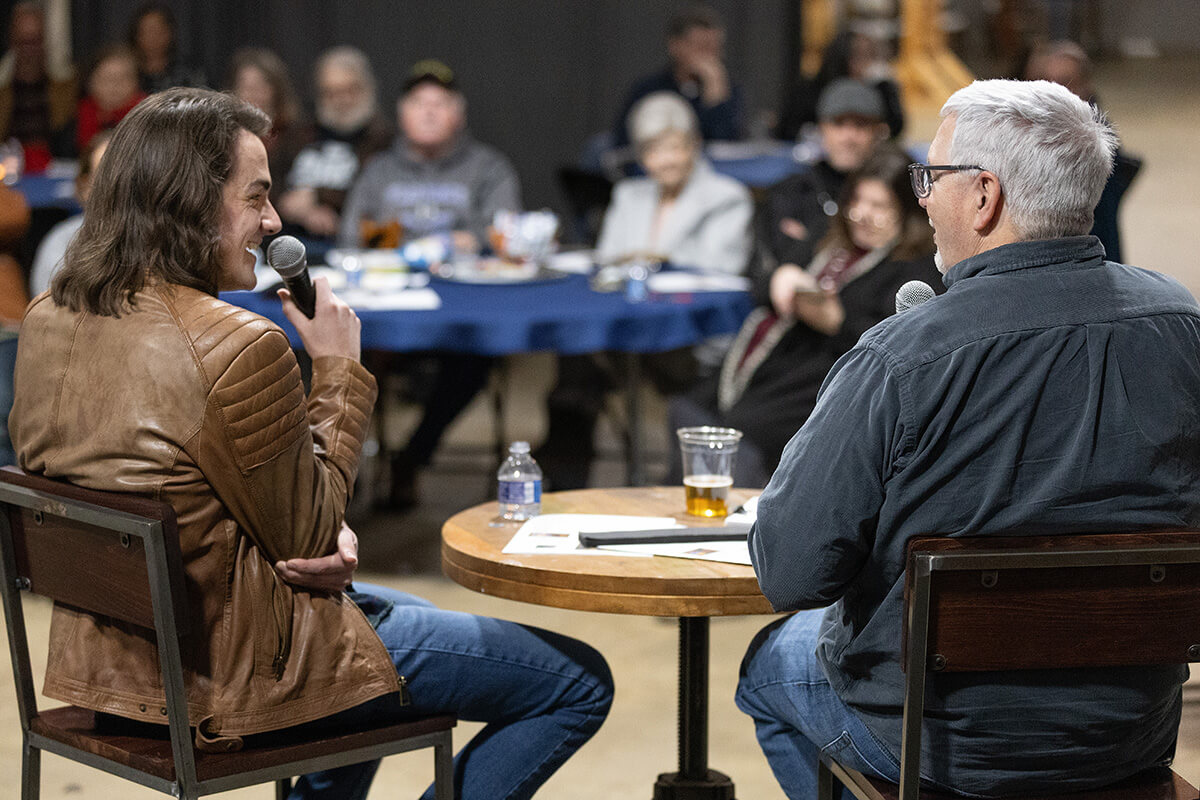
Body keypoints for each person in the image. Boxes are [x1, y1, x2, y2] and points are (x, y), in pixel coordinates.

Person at [9, 87, 612, 800]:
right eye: (256, 197)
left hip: (114, 668)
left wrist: (321, 547)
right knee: (578, 683)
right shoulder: (236, 344)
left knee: (391, 613)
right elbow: (309, 529)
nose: (273, 221)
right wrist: (338, 369)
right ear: (188, 203)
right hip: (233, 680)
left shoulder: (49, 316)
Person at [736, 79, 1200, 797]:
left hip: (939, 745)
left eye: (931, 177)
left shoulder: (900, 357)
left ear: (983, 196)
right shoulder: (1184, 326)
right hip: (1127, 735)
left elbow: (790, 572)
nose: (922, 197)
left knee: (771, 664)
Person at [670, 144, 939, 488]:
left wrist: (836, 322)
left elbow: (900, 344)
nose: (862, 215)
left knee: (741, 429)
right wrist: (780, 278)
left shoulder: (913, 268)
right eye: (857, 202)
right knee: (687, 410)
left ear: (906, 211)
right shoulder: (831, 238)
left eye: (880, 206)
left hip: (827, 378)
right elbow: (761, 285)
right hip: (775, 361)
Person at [538, 91, 753, 490]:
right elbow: (608, 261)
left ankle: (669, 483)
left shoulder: (727, 197)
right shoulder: (629, 195)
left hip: (689, 337)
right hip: (627, 331)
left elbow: (719, 269)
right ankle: (565, 484)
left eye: (674, 147)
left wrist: (649, 257)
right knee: (574, 364)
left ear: (693, 145)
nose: (665, 160)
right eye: (653, 150)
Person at [340, 59, 520, 509]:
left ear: (457, 113)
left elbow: (504, 234)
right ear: (401, 113)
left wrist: (468, 240)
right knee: (343, 354)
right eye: (418, 102)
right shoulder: (379, 170)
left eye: (439, 103)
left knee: (475, 361)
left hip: (461, 315)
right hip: (386, 311)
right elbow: (351, 236)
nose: (428, 112)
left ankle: (411, 459)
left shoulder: (488, 167)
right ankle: (341, 471)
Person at [1021, 39, 1141, 263]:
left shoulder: (1099, 150)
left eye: (1066, 83)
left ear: (1087, 88)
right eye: (1046, 82)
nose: (1056, 92)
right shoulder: (1017, 138)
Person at [760, 78, 890, 279]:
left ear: (879, 132)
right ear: (821, 129)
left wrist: (810, 238)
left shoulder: (893, 194)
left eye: (860, 125)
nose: (848, 137)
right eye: (838, 124)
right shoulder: (790, 192)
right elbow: (765, 273)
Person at [276, 46, 391, 241]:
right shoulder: (300, 135)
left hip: (347, 244)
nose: (341, 100)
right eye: (331, 92)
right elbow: (270, 180)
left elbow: (376, 194)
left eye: (350, 90)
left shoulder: (383, 140)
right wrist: (295, 207)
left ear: (367, 88)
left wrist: (317, 197)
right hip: (288, 242)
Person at [612, 3, 743, 150]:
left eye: (715, 48)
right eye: (701, 47)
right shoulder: (648, 89)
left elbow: (727, 147)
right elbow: (624, 146)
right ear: (675, 46)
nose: (709, 57)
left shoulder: (725, 88)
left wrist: (715, 97)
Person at [776, 28, 905, 142]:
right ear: (842, 58)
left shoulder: (880, 91)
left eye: (871, 55)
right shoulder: (808, 93)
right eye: (859, 56)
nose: (866, 63)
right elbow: (787, 129)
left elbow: (895, 127)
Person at [29, 128, 109, 295]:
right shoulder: (61, 246)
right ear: (84, 186)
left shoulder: (162, 243)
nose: (118, 188)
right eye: (106, 177)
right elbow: (53, 314)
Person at [0, 1, 75, 170]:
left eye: (35, 41)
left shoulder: (66, 85)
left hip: (56, 171)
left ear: (44, 40)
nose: (29, 50)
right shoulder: (3, 86)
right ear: (12, 41)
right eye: (23, 42)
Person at [227, 47, 306, 202]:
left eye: (261, 85)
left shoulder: (298, 136)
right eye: (246, 86)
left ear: (276, 90)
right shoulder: (225, 136)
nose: (252, 93)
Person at [75, 44, 145, 153]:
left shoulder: (148, 118)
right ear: (90, 82)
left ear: (136, 82)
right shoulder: (76, 121)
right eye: (107, 79)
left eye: (123, 79)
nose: (114, 86)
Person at [127, 2, 205, 94]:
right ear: (136, 35)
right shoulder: (127, 71)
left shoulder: (190, 71)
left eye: (158, 31)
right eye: (148, 31)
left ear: (170, 32)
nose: (153, 37)